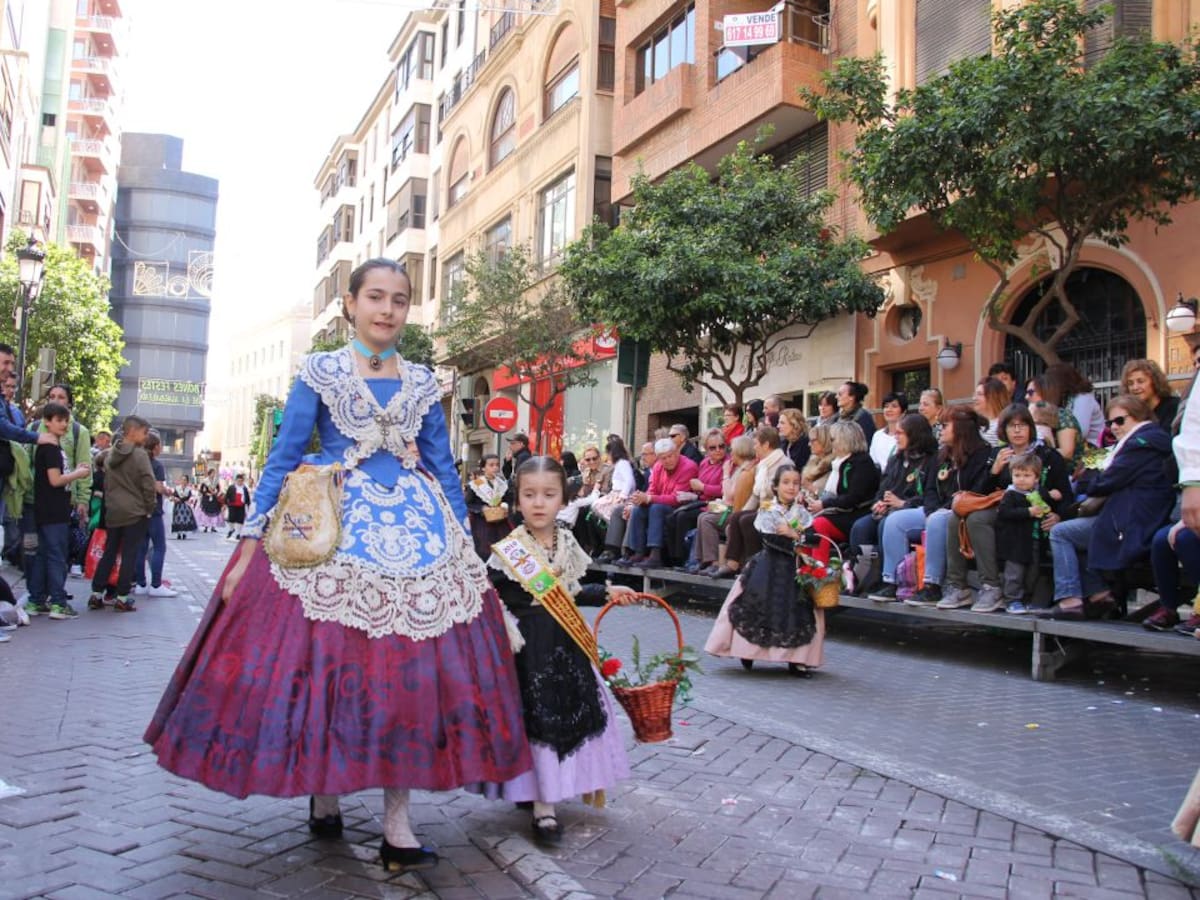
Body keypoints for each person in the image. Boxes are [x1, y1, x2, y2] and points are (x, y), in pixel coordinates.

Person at [144, 258, 531, 873]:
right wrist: (250, 542)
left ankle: (397, 822)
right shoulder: (321, 370)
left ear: (408, 309)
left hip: (420, 531)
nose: (387, 309)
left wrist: (466, 547)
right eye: (375, 297)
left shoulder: (425, 381)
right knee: (327, 663)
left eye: (399, 300)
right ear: (351, 304)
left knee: (410, 677)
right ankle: (325, 793)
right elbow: (284, 455)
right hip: (329, 527)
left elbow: (442, 467)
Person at [479, 456, 635, 843]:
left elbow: (570, 589)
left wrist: (607, 591)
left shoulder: (567, 540)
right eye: (529, 495)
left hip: (565, 642)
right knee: (536, 720)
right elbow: (487, 596)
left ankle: (548, 790)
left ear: (563, 499)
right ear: (516, 500)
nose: (538, 503)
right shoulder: (507, 550)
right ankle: (543, 807)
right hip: (527, 649)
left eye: (548, 494)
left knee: (565, 714)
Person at [1040, 394, 1176, 620]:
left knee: (1061, 533)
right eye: (1109, 423)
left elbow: (1106, 481)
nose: (1113, 427)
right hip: (1132, 517)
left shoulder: (1140, 444)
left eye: (1120, 421)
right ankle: (1099, 594)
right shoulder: (1147, 441)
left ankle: (1070, 600)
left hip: (1131, 523)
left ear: (1139, 417)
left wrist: (1086, 479)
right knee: (1075, 532)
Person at [937, 403, 1073, 612]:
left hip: (1034, 515)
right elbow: (978, 492)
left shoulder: (1048, 455)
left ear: (1031, 428)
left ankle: (991, 586)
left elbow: (1066, 494)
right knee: (956, 516)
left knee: (977, 519)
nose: (1017, 431)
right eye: (1011, 426)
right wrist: (994, 470)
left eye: (1022, 425)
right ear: (1003, 430)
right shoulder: (996, 453)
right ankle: (959, 586)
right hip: (1004, 509)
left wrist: (1058, 515)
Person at [705, 465, 823, 677]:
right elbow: (772, 539)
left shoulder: (802, 512)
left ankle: (796, 660)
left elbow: (815, 539)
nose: (791, 487)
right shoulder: (768, 509)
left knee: (798, 613)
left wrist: (795, 535)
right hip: (769, 565)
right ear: (776, 487)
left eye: (795, 483)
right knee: (757, 607)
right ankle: (748, 651)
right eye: (786, 482)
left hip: (794, 568)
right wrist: (795, 537)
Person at [870, 407, 993, 603]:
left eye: (945, 425)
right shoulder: (941, 455)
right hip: (936, 508)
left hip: (960, 510)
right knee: (895, 521)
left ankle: (931, 585)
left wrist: (937, 510)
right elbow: (930, 490)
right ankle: (892, 582)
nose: (940, 430)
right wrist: (930, 509)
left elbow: (975, 489)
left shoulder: (981, 454)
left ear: (960, 428)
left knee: (936, 520)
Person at [846, 414, 938, 566]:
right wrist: (879, 503)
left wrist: (903, 503)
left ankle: (889, 577)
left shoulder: (931, 460)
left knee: (886, 525)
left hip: (911, 511)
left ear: (914, 435)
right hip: (888, 511)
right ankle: (865, 575)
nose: (895, 436)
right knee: (860, 527)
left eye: (900, 433)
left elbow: (931, 495)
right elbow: (883, 489)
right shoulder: (895, 460)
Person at [87, 416, 156, 614]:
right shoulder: (140, 456)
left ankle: (96, 593)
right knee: (129, 554)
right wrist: (149, 509)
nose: (145, 436)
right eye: (144, 432)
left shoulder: (110, 454)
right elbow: (148, 484)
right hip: (135, 512)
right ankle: (122, 597)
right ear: (132, 432)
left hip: (113, 511)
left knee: (109, 552)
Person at [28, 402, 91, 619]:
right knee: (56, 556)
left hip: (48, 509)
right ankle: (57, 602)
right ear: (47, 422)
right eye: (58, 420)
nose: (63, 424)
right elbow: (55, 480)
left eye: (65, 420)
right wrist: (78, 474)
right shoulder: (51, 449)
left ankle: (36, 600)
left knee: (44, 554)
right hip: (54, 510)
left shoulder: (50, 448)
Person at [704, 426, 790, 579]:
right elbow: (755, 496)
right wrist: (742, 510)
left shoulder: (783, 463)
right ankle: (732, 564)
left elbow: (782, 495)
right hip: (764, 508)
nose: (754, 447)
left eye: (756, 444)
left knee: (747, 520)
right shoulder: (763, 465)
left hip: (778, 510)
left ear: (766, 445)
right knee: (739, 517)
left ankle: (752, 565)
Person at [616, 437, 700, 569]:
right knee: (637, 510)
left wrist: (649, 498)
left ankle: (655, 555)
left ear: (677, 452)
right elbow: (652, 489)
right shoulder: (658, 467)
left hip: (680, 507)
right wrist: (641, 499)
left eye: (670, 456)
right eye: (663, 458)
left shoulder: (688, 467)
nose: (667, 460)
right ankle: (638, 552)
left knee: (656, 508)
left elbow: (676, 498)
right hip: (661, 504)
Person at [804, 421, 879, 564]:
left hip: (857, 513)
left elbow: (854, 497)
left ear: (845, 440)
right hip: (842, 511)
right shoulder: (840, 462)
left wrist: (824, 504)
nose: (830, 444)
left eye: (833, 440)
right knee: (803, 524)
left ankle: (819, 572)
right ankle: (804, 569)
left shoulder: (862, 463)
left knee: (820, 524)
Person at [993, 453, 1052, 615]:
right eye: (1017, 475)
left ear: (1037, 478)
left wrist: (1049, 501)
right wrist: (1028, 512)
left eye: (1027, 475)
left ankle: (1026, 597)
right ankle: (1011, 599)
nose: (1021, 479)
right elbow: (1005, 513)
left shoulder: (1039, 493)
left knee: (1032, 572)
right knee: (1014, 572)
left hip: (1034, 540)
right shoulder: (1011, 494)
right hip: (1015, 542)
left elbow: (1048, 504)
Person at [692, 435, 757, 574]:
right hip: (730, 508)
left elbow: (729, 495)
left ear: (740, 451)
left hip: (736, 511)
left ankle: (713, 562)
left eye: (730, 449)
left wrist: (726, 474)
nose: (729, 453)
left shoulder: (745, 471)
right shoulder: (739, 468)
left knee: (706, 519)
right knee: (702, 515)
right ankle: (703, 560)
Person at [666, 428, 726, 569]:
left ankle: (685, 559)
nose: (718, 450)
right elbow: (698, 487)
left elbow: (724, 489)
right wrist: (694, 493)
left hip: (719, 504)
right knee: (671, 517)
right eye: (713, 448)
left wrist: (703, 488)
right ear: (706, 448)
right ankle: (673, 559)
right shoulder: (705, 463)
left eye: (722, 446)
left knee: (683, 517)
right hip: (702, 502)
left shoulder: (728, 464)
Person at [133, 432, 177, 598]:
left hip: (138, 510)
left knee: (141, 547)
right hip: (153, 510)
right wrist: (167, 491)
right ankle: (156, 584)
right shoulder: (156, 465)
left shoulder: (136, 463)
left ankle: (140, 583)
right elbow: (158, 487)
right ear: (155, 447)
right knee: (159, 547)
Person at [589, 435, 637, 562]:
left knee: (598, 506)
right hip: (615, 493)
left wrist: (623, 496)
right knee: (595, 506)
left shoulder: (623, 464)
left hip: (620, 494)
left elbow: (629, 481)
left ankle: (612, 527)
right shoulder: (619, 464)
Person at [466, 453, 511, 560]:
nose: (495, 467)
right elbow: (468, 503)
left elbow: (508, 500)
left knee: (502, 549)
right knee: (484, 550)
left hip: (500, 522)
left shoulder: (502, 484)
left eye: (497, 465)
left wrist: (505, 506)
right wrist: (482, 509)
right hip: (482, 522)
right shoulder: (476, 484)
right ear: (483, 467)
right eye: (491, 465)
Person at [1121, 358, 1180, 433]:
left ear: (1155, 382)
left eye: (1140, 381)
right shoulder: (1130, 414)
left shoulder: (1174, 406)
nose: (1135, 387)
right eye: (1130, 383)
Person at [868, 392, 907, 470]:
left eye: (894, 406)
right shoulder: (877, 435)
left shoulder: (907, 435)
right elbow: (872, 462)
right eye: (886, 406)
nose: (889, 410)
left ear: (903, 412)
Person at [973, 377, 1012, 447]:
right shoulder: (974, 423)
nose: (974, 398)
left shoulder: (1004, 424)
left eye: (979, 394)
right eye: (975, 394)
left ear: (993, 396)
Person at [778, 408, 811, 472]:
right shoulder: (783, 443)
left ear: (794, 425)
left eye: (782, 423)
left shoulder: (805, 444)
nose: (778, 426)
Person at [170, 475, 198, 539]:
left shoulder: (188, 489)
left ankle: (184, 533)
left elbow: (190, 497)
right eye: (182, 480)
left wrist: (191, 500)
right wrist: (175, 499)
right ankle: (179, 533)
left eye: (185, 480)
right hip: (178, 506)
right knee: (178, 519)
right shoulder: (177, 488)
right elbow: (174, 495)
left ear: (187, 481)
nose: (183, 481)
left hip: (185, 506)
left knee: (185, 519)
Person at [224, 473, 250, 539]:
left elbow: (247, 497)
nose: (240, 482)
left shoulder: (244, 488)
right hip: (232, 505)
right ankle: (231, 529)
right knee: (231, 519)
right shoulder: (231, 487)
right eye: (238, 480)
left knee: (240, 520)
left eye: (241, 481)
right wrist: (225, 504)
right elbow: (227, 496)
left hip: (241, 506)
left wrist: (248, 505)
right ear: (236, 480)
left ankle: (238, 533)